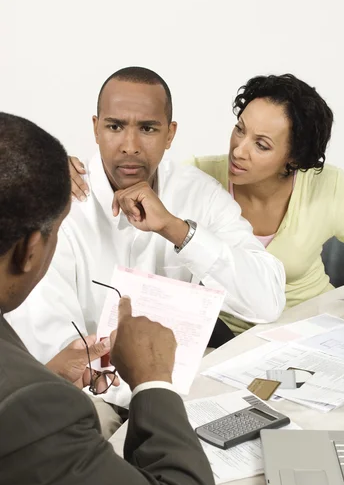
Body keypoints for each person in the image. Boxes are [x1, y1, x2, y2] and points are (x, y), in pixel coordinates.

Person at [0, 112, 219, 485]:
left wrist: (42, 378)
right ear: (31, 249)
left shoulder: (30, 394)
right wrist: (155, 383)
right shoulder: (29, 410)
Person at [7, 66, 286, 431]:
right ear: (95, 128)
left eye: (148, 128)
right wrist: (156, 390)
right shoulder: (61, 205)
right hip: (94, 399)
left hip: (179, 390)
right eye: (114, 126)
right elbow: (61, 353)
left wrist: (178, 230)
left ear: (170, 134)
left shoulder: (197, 195)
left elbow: (266, 302)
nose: (130, 145)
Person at [71, 73, 344, 334]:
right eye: (239, 130)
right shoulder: (199, 178)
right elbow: (136, 181)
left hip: (317, 324)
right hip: (229, 340)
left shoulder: (327, 186)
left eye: (262, 144)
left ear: (295, 157)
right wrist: (60, 166)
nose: (239, 150)